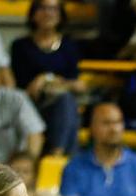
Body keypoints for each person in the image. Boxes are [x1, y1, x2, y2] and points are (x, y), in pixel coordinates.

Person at [11, 0, 85, 157]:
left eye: (54, 9)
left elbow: (78, 85)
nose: (48, 13)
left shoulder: (69, 45)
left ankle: (56, 154)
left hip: (62, 101)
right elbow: (20, 87)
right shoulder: (20, 46)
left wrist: (46, 78)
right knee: (68, 109)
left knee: (66, 102)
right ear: (33, 14)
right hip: (31, 105)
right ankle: (60, 159)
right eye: (43, 8)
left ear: (60, 15)